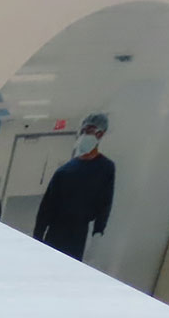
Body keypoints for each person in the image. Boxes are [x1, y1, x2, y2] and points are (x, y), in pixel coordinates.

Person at [33, 112, 116, 261]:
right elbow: (46, 207)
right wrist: (37, 237)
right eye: (83, 131)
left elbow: (105, 202)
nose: (85, 134)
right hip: (56, 231)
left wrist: (98, 232)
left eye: (89, 131)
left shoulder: (106, 168)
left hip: (79, 233)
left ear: (100, 134)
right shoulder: (64, 171)